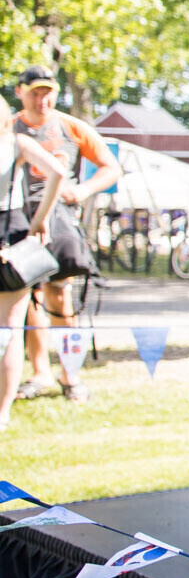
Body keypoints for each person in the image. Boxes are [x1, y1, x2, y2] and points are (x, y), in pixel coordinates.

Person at [12, 66, 122, 402]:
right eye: (35, 92)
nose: (41, 99)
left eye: (48, 92)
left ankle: (70, 374)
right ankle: (39, 372)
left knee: (59, 296)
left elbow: (111, 167)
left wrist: (83, 190)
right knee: (27, 297)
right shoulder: (10, 127)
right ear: (19, 92)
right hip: (19, 219)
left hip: (58, 221)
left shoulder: (71, 127)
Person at [2, 115, 74, 428]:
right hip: (12, 231)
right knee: (10, 328)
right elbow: (57, 172)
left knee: (11, 328)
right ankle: (2, 411)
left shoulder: (17, 142)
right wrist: (40, 218)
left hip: (10, 236)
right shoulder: (16, 143)